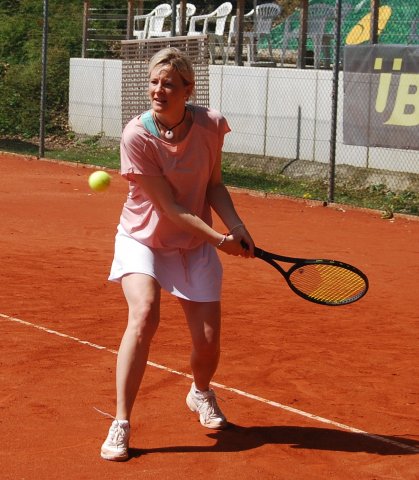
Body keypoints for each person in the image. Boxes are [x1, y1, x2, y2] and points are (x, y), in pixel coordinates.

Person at [100, 47, 255, 462]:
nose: (158, 90)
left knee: (208, 342)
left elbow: (214, 185)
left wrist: (237, 226)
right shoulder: (137, 135)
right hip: (143, 238)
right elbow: (169, 207)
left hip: (193, 243)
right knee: (144, 314)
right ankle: (121, 422)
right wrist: (220, 240)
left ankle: (200, 393)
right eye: (154, 82)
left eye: (168, 84)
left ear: (188, 90)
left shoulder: (211, 125)